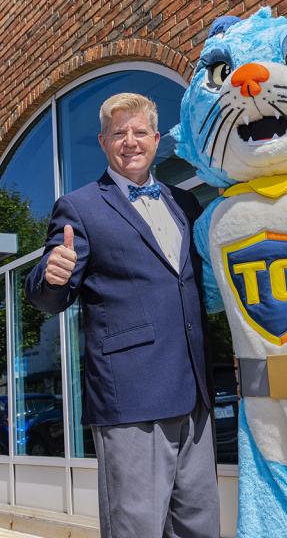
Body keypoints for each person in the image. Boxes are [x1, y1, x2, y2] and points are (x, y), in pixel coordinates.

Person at [25, 93, 219, 538]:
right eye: (119, 133)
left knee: (200, 526)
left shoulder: (184, 204)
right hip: (131, 398)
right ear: (103, 141)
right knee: (137, 528)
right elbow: (52, 296)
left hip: (195, 394)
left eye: (139, 132)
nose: (130, 142)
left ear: (155, 138)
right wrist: (50, 276)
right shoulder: (80, 207)